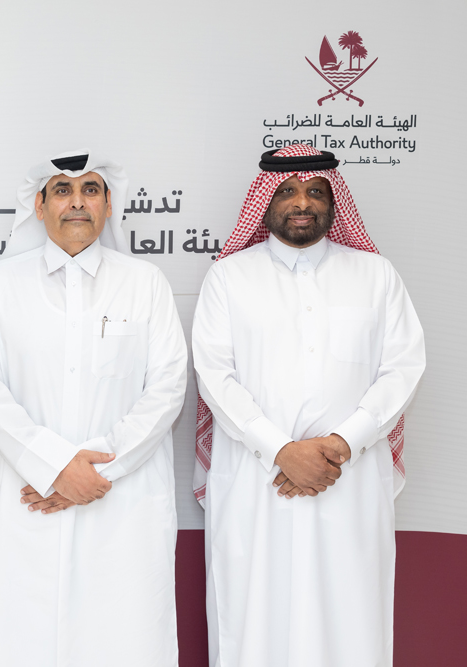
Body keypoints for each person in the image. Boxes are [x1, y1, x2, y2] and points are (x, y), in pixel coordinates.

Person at [192, 144, 426, 667]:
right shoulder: (227, 278)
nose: (302, 202)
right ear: (265, 202)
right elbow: (214, 376)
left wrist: (342, 442)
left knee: (352, 618)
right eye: (288, 191)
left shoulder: (376, 275)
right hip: (257, 481)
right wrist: (280, 451)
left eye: (315, 191)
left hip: (351, 477)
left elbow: (403, 368)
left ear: (333, 201)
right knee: (254, 621)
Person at [0, 150, 187, 666]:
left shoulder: (145, 282)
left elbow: (168, 387)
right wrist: (56, 466)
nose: (77, 202)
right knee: (26, 640)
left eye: (90, 190)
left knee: (124, 639)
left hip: (121, 500)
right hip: (29, 498)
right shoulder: (1, 284)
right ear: (39, 207)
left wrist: (97, 466)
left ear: (109, 205)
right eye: (62, 190)